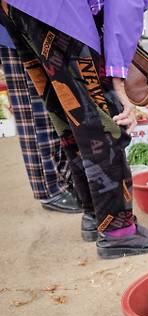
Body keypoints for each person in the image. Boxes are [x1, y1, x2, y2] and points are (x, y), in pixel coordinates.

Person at [0, 0, 148, 258]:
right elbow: (125, 5)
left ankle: (95, 215)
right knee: (104, 122)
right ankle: (118, 231)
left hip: (19, 9)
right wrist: (117, 81)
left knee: (71, 117)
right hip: (57, 9)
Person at [0, 25, 83, 214]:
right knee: (35, 111)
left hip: (38, 25)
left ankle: (63, 177)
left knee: (52, 109)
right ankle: (49, 188)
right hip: (13, 27)